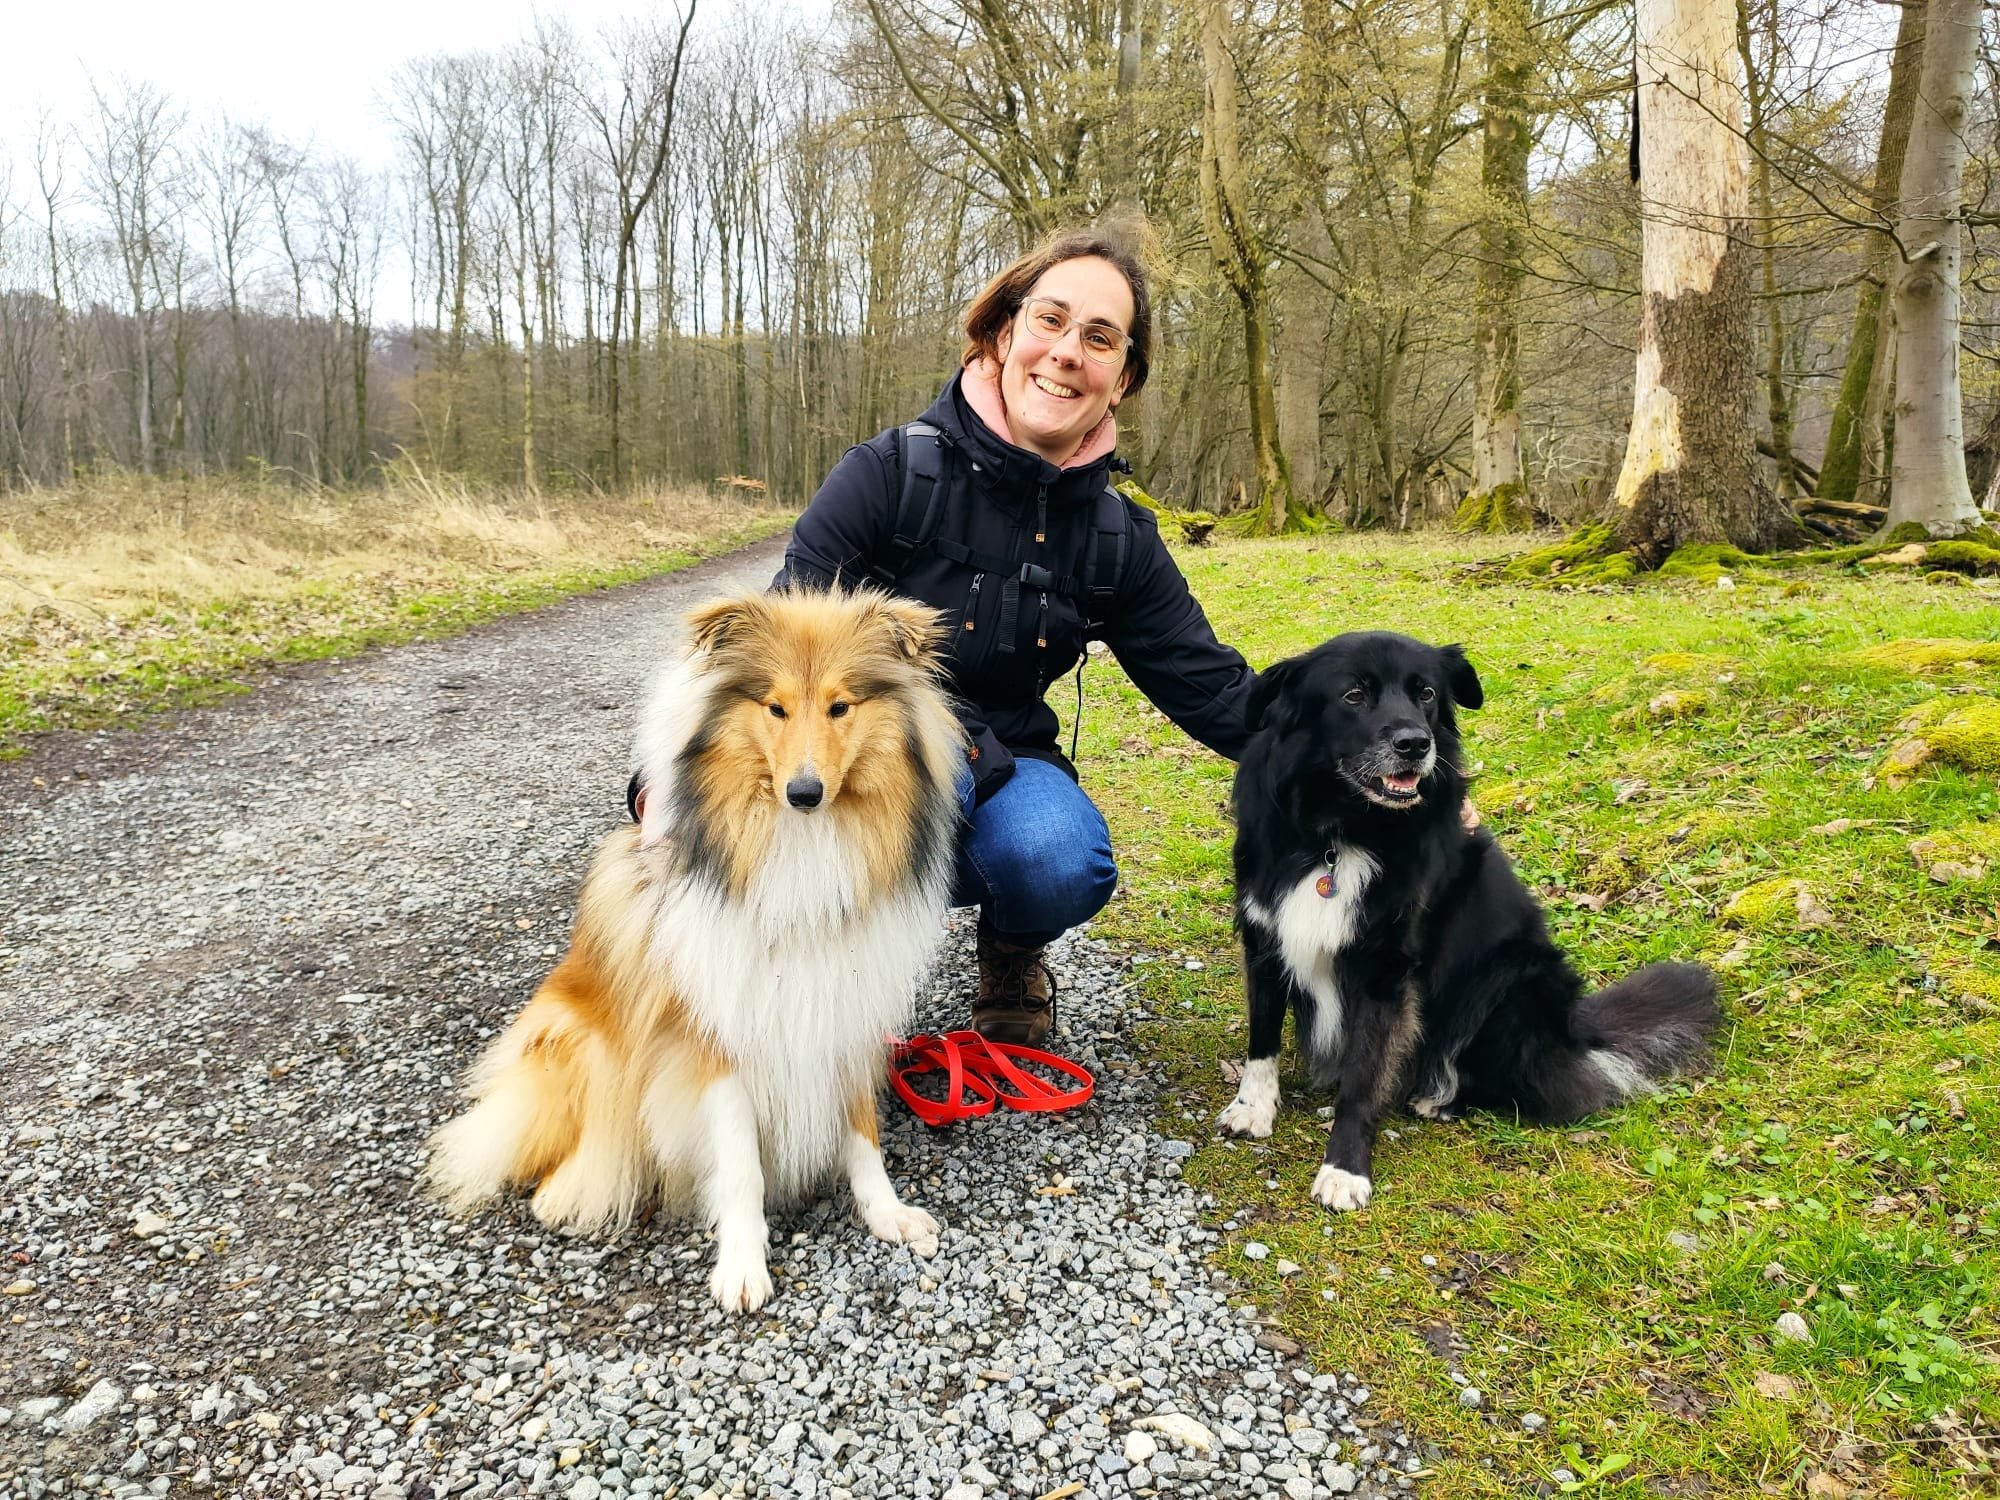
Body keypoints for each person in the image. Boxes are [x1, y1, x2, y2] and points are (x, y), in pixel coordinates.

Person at [768, 230, 1258, 1047]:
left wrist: (1370, 767)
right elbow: (778, 653)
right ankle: (822, 966)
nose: (1068, 352)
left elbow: (1213, 688)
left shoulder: (1117, 537)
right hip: (857, 756)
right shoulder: (889, 475)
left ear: (1122, 379)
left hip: (1005, 767)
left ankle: (1010, 949)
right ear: (1002, 334)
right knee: (891, 782)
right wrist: (662, 791)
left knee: (1059, 855)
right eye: (1050, 320)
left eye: (1099, 338)